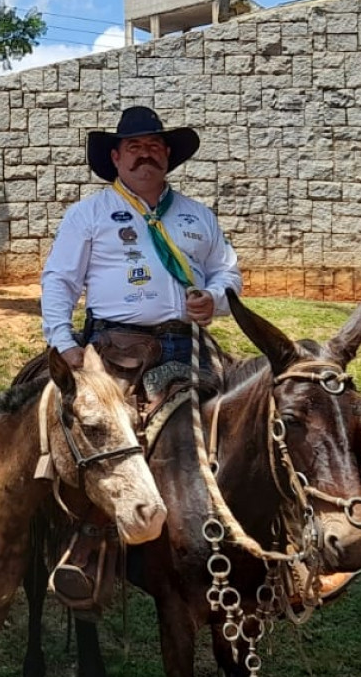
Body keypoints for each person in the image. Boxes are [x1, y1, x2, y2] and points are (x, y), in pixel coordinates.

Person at [39, 106, 242, 606]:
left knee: (239, 421)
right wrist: (65, 344)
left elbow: (228, 273)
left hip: (190, 343)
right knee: (105, 437)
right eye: (134, 147)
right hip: (115, 348)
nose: (145, 154)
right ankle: (87, 550)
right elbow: (60, 279)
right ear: (115, 157)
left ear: (167, 155)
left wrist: (213, 299)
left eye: (154, 146)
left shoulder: (198, 215)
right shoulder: (88, 213)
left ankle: (245, 534)